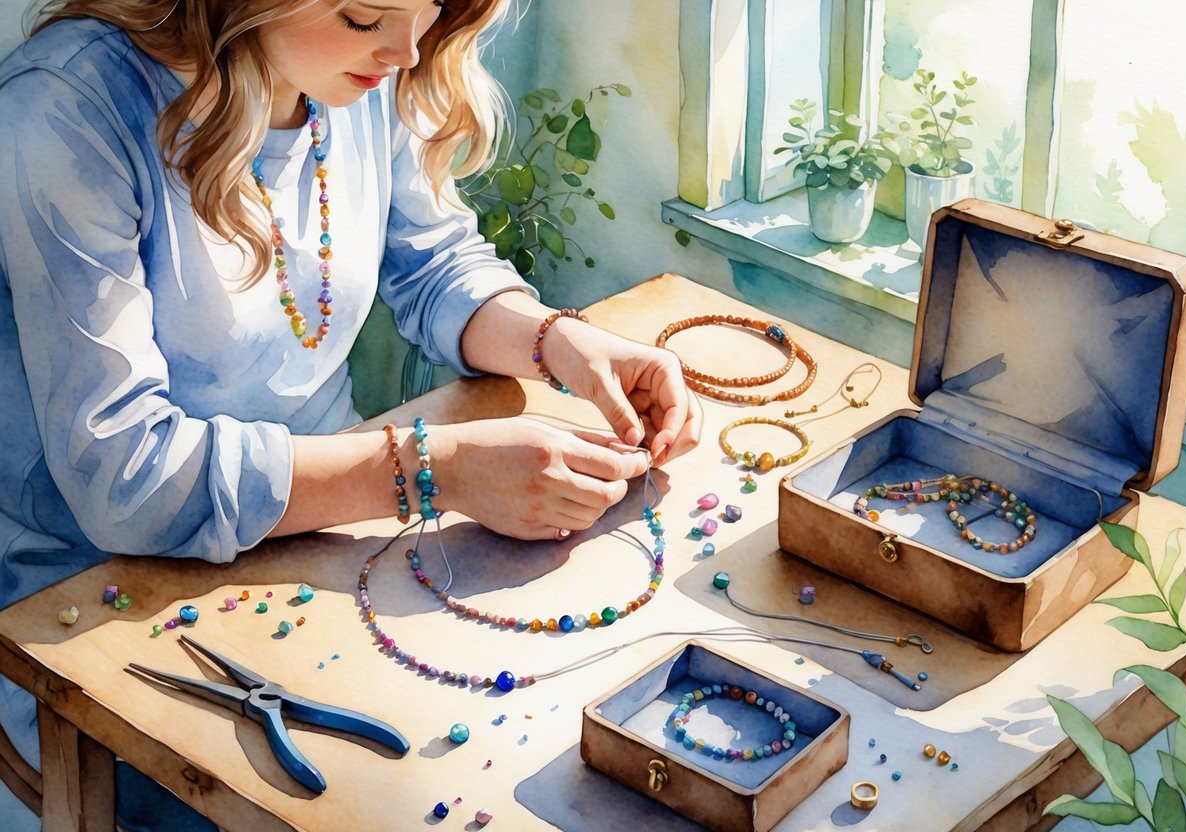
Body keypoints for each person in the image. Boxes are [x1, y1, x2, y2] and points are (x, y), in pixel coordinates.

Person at [0, 0, 700, 827]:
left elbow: (434, 262)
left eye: (428, 8)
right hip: (87, 602)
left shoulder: (350, 75)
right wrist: (432, 469)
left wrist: (559, 344)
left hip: (326, 542)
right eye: (365, 15)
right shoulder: (67, 111)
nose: (406, 51)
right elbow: (126, 479)